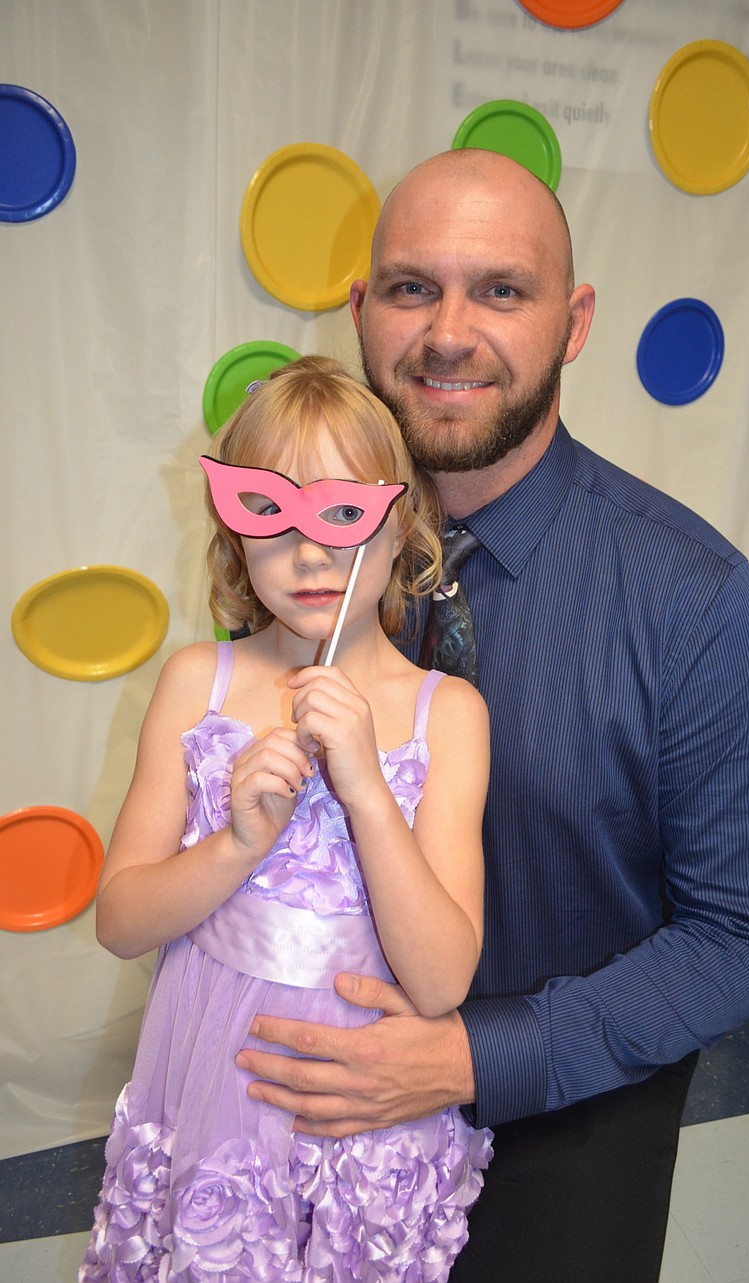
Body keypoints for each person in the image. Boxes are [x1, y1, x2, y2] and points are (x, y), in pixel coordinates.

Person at [233, 151, 749, 1282]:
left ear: (574, 319)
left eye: (501, 289)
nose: (448, 332)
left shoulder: (690, 600)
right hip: (300, 1113)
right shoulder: (293, 561)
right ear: (360, 309)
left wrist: (466, 1057)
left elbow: (742, 937)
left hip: (562, 1130)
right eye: (409, 288)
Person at [79, 356, 492, 1282]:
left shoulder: (447, 716)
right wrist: (238, 842)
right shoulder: (199, 684)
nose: (310, 554)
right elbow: (119, 921)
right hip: (210, 1080)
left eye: (342, 513)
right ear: (235, 533)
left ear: (400, 528)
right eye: (273, 515)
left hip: (361, 1105)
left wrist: (368, 792)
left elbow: (442, 981)